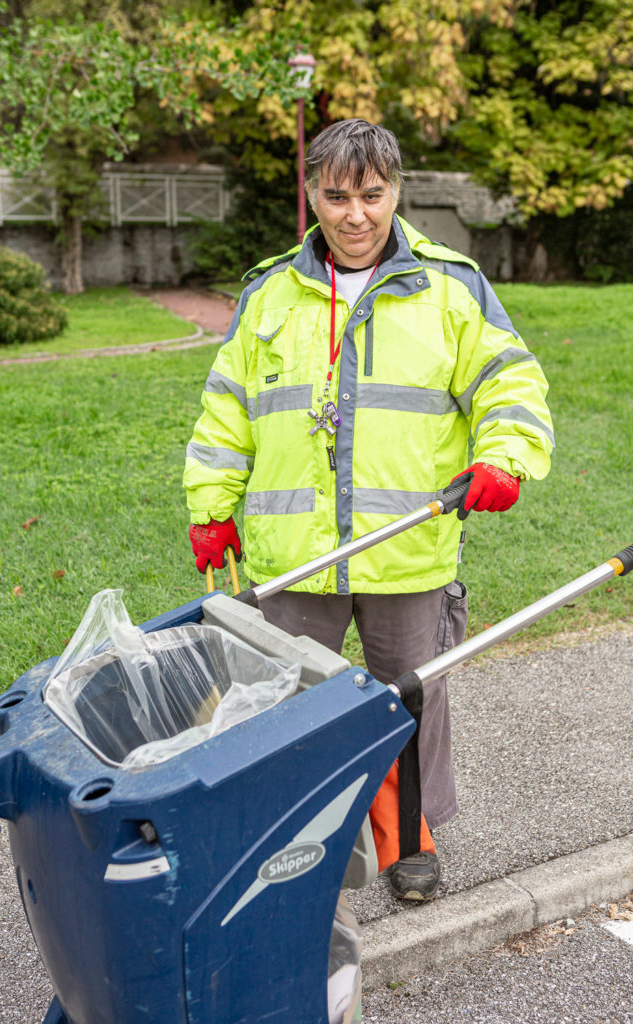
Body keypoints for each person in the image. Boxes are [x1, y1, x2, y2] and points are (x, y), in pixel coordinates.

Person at [183, 119, 554, 901]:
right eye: (336, 196)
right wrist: (211, 505)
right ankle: (288, 846)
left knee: (409, 702)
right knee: (281, 706)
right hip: (295, 553)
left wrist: (504, 456)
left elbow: (510, 383)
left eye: (372, 195)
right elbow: (227, 409)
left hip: (407, 547)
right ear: (311, 193)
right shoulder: (269, 292)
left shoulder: (451, 287)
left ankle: (408, 840)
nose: (354, 215)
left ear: (395, 192)